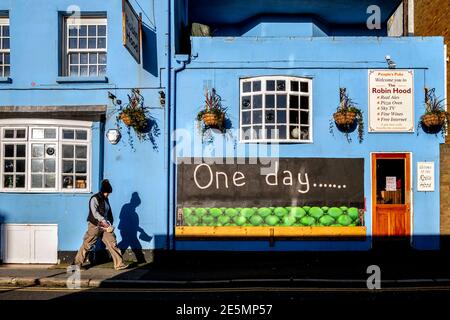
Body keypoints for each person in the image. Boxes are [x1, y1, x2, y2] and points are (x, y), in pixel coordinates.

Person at [73, 179, 128, 270]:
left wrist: (109, 223)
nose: (107, 194)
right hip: (95, 225)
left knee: (112, 242)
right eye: (106, 192)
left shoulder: (106, 199)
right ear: (102, 191)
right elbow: (95, 213)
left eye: (108, 193)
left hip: (105, 226)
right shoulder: (94, 198)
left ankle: (119, 264)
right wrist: (105, 223)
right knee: (88, 244)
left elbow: (107, 213)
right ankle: (76, 265)